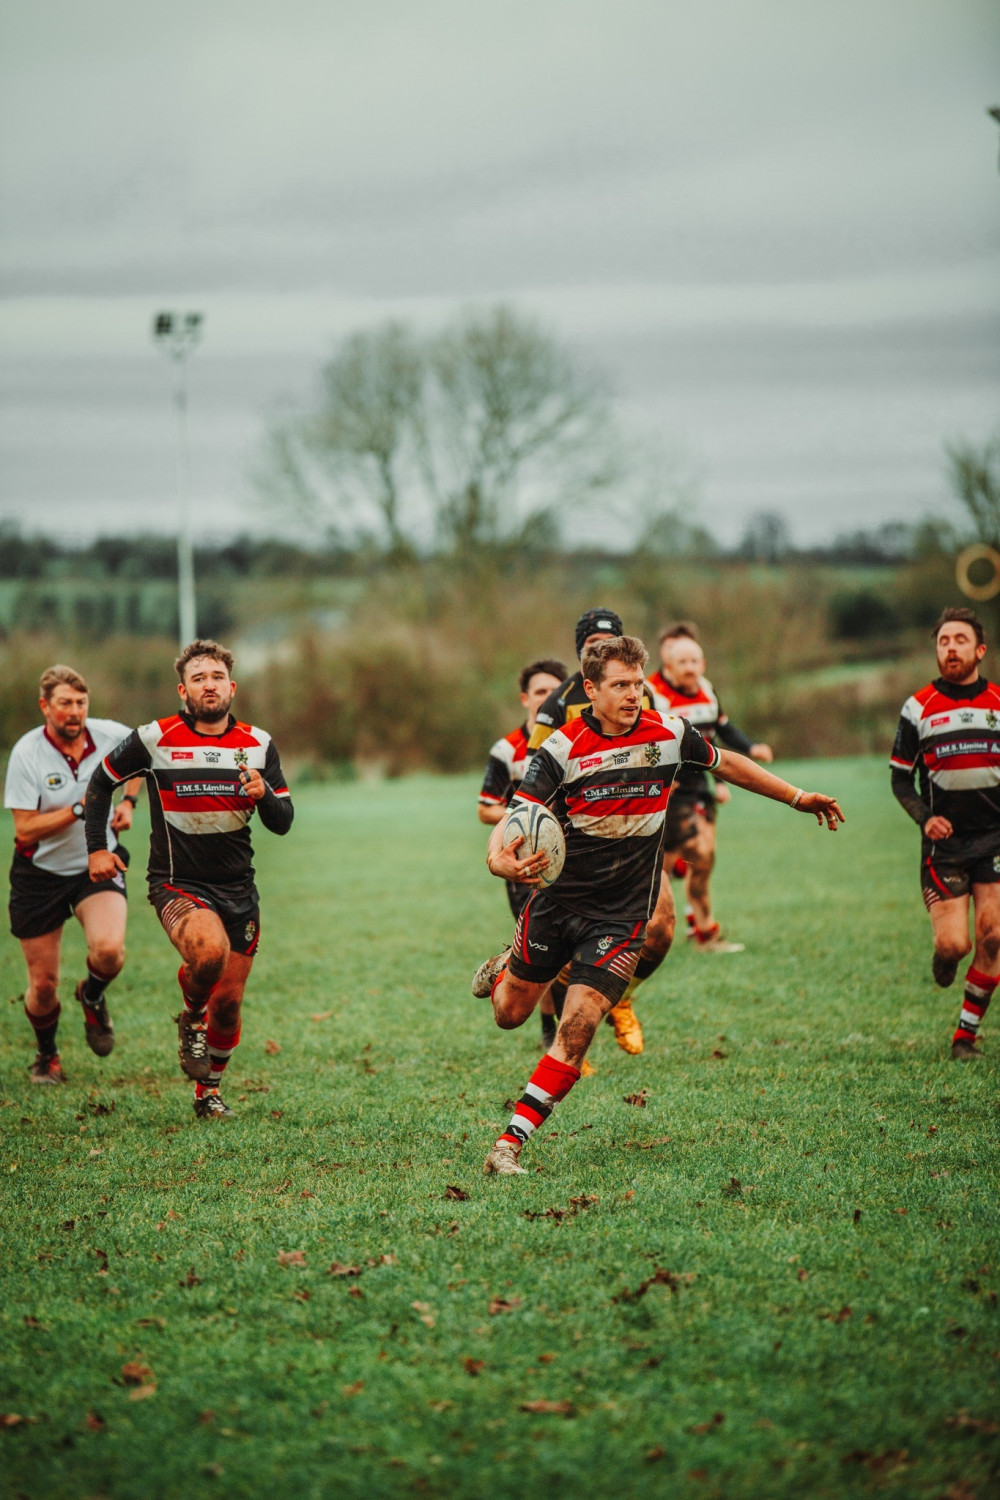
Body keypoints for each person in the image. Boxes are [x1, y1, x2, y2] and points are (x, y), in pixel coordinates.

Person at [473, 635, 844, 1175]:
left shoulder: (668, 734)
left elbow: (729, 763)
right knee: (510, 1014)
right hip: (558, 904)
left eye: (638, 683)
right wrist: (497, 861)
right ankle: (509, 963)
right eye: (620, 685)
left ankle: (509, 1143)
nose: (632, 693)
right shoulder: (561, 748)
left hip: (621, 916)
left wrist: (796, 796)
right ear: (592, 690)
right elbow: (517, 817)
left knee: (577, 1029)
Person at [85, 638, 293, 1117]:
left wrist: (264, 795)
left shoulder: (257, 745)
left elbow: (283, 820)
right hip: (178, 883)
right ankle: (191, 1016)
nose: (209, 685)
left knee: (230, 1005)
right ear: (183, 690)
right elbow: (101, 782)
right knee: (209, 954)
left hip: (239, 887)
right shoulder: (155, 737)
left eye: (216, 676)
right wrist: (98, 848)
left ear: (232, 687)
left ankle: (209, 1093)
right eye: (198, 678)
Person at [529, 608, 663, 1056]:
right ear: (582, 660)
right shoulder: (554, 711)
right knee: (562, 946)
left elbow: (666, 759)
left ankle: (621, 995)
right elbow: (535, 784)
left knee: (661, 930)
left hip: (640, 839)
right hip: (578, 848)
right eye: (591, 648)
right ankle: (566, 1032)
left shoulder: (645, 701)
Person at [4, 664, 143, 1083]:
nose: (74, 711)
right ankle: (47, 1056)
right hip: (40, 873)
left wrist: (128, 803)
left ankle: (92, 994)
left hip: (94, 864)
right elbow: (24, 827)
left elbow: (143, 759)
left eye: (81, 703)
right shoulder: (27, 753)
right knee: (43, 985)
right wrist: (85, 807)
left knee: (109, 952)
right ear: (45, 706)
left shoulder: (111, 735)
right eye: (65, 703)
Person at [890, 606, 1000, 1060]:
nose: (950, 647)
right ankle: (946, 956)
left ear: (979, 650)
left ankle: (965, 1038)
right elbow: (899, 778)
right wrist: (923, 816)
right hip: (946, 847)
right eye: (942, 641)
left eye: (959, 640)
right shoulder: (919, 708)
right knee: (956, 944)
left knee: (993, 937)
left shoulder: (997, 703)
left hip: (995, 839)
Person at [648, 623, 773, 953]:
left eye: (694, 661)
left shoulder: (706, 689)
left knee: (704, 858)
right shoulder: (653, 695)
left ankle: (702, 930)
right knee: (697, 853)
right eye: (682, 661)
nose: (689, 667)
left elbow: (718, 734)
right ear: (667, 664)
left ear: (702, 664)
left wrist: (749, 749)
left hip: (699, 785)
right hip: (671, 789)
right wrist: (658, 780)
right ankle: (662, 908)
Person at [479, 657, 566, 1047]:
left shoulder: (572, 743)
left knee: (567, 951)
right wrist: (528, 818)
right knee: (546, 953)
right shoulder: (507, 749)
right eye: (540, 692)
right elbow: (485, 809)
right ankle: (553, 1031)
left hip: (569, 856)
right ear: (525, 698)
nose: (547, 699)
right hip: (523, 860)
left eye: (554, 691)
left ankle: (558, 1031)